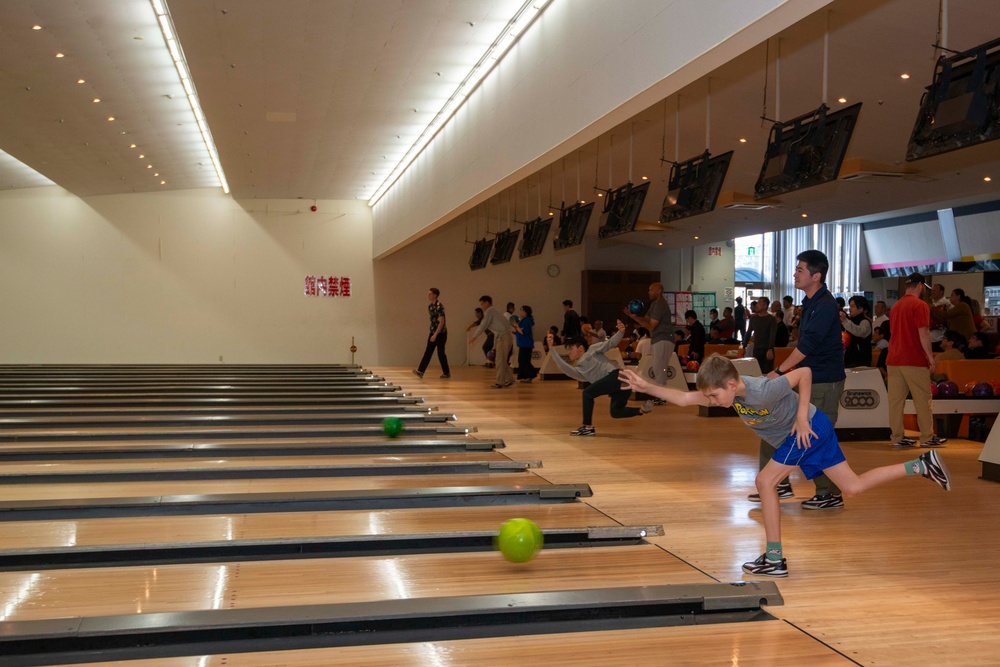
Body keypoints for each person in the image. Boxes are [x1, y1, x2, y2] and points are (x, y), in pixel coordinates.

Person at [619, 355, 951, 577]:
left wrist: (803, 415)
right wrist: (646, 386)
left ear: (732, 385)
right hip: (811, 434)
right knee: (853, 486)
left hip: (807, 430)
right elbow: (685, 398)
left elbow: (804, 373)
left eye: (715, 396)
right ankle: (921, 465)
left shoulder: (763, 390)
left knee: (765, 481)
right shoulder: (728, 393)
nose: (712, 401)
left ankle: (775, 558)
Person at [764, 250, 847, 510]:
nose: (795, 274)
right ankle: (781, 481)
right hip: (811, 379)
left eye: (800, 270)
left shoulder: (824, 305)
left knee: (815, 437)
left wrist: (779, 372)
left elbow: (808, 345)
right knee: (795, 429)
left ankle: (829, 493)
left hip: (825, 380)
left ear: (817, 276)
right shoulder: (810, 301)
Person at [552, 320, 652, 436]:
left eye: (571, 348)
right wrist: (552, 350)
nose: (569, 352)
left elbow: (609, 343)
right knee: (615, 412)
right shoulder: (580, 370)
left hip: (616, 376)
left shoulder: (592, 350)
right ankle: (641, 410)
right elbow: (565, 368)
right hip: (622, 383)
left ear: (580, 348)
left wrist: (620, 332)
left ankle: (587, 427)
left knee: (587, 393)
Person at [887, 273, 947, 448]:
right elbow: (923, 333)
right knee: (923, 399)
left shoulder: (896, 306)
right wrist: (930, 358)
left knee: (895, 402)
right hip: (913, 359)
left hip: (894, 359)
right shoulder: (920, 305)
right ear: (921, 285)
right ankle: (927, 437)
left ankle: (897, 437)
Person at [623, 282, 673, 405]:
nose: (649, 292)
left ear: (659, 290)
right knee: (658, 368)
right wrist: (633, 315)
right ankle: (661, 395)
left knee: (659, 367)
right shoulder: (655, 304)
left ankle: (661, 397)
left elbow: (651, 325)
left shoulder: (661, 305)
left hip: (664, 339)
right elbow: (645, 320)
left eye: (651, 290)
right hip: (658, 339)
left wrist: (634, 317)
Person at [468, 295, 515, 389]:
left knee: (499, 361)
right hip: (504, 337)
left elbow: (483, 325)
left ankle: (500, 382)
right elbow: (497, 331)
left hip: (504, 337)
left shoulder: (490, 311)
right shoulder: (494, 312)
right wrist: (495, 344)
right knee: (502, 360)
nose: (481, 306)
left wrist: (474, 337)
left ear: (487, 303)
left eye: (482, 303)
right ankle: (510, 379)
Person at [413, 287, 451, 379]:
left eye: (430, 294)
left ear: (435, 295)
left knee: (441, 353)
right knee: (428, 352)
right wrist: (433, 333)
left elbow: (442, 322)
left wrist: (435, 334)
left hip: (440, 333)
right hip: (433, 332)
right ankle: (421, 371)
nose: (428, 295)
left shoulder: (439, 306)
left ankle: (446, 373)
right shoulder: (430, 306)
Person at [841, 295, 873, 368]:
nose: (850, 309)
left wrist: (845, 321)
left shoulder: (865, 322)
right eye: (850, 306)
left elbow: (859, 331)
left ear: (861, 308)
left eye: (853, 306)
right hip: (849, 358)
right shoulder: (850, 321)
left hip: (861, 360)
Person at [747, 297, 777, 373]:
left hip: (767, 349)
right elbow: (748, 332)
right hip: (757, 348)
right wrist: (744, 346)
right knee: (757, 371)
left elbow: (772, 335)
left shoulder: (771, 319)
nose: (757, 305)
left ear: (765, 306)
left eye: (759, 303)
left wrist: (770, 349)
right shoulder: (753, 319)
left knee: (767, 372)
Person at [514, 305, 538, 382]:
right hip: (524, 344)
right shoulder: (524, 320)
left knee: (524, 361)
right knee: (522, 360)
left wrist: (516, 326)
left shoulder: (526, 320)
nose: (520, 312)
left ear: (526, 312)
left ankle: (531, 374)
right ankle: (524, 376)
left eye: (522, 310)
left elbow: (523, 332)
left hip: (526, 344)